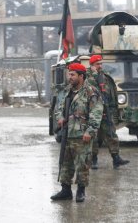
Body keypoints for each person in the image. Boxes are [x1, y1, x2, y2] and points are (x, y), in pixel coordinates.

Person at [51, 63, 103, 203]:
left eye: (73, 74)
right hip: (68, 133)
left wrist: (90, 131)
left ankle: (81, 191)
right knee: (65, 163)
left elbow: (96, 113)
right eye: (69, 74)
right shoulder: (67, 91)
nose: (70, 77)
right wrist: (60, 118)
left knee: (82, 163)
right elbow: (58, 108)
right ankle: (65, 190)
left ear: (81, 76)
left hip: (82, 135)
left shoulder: (91, 92)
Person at [86, 54, 129, 169]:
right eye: (97, 64)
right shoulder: (86, 76)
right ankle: (93, 159)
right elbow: (89, 90)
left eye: (101, 63)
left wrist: (114, 109)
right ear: (92, 65)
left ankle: (116, 158)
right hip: (92, 112)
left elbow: (112, 94)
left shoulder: (106, 77)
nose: (100, 66)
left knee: (111, 134)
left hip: (106, 110)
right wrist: (94, 75)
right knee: (93, 136)